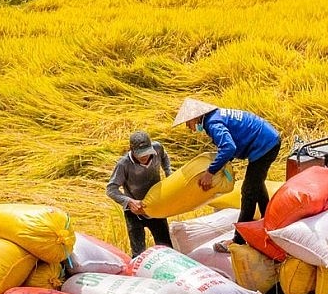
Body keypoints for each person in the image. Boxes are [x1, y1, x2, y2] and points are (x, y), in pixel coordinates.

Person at [172, 98, 281, 251]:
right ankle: (269, 222)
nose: (188, 127)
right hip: (268, 139)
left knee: (248, 192)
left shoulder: (212, 123)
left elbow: (228, 147)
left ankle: (238, 240)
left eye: (187, 123)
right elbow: (230, 146)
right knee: (256, 185)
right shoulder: (216, 116)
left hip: (265, 145)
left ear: (194, 117)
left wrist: (210, 172)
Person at [106, 129, 174, 257]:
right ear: (131, 150)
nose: (144, 157)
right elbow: (111, 189)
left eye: (147, 153)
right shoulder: (124, 164)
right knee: (138, 253)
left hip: (155, 205)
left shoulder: (157, 148)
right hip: (134, 211)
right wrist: (129, 201)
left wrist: (168, 172)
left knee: (166, 247)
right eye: (140, 154)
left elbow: (165, 157)